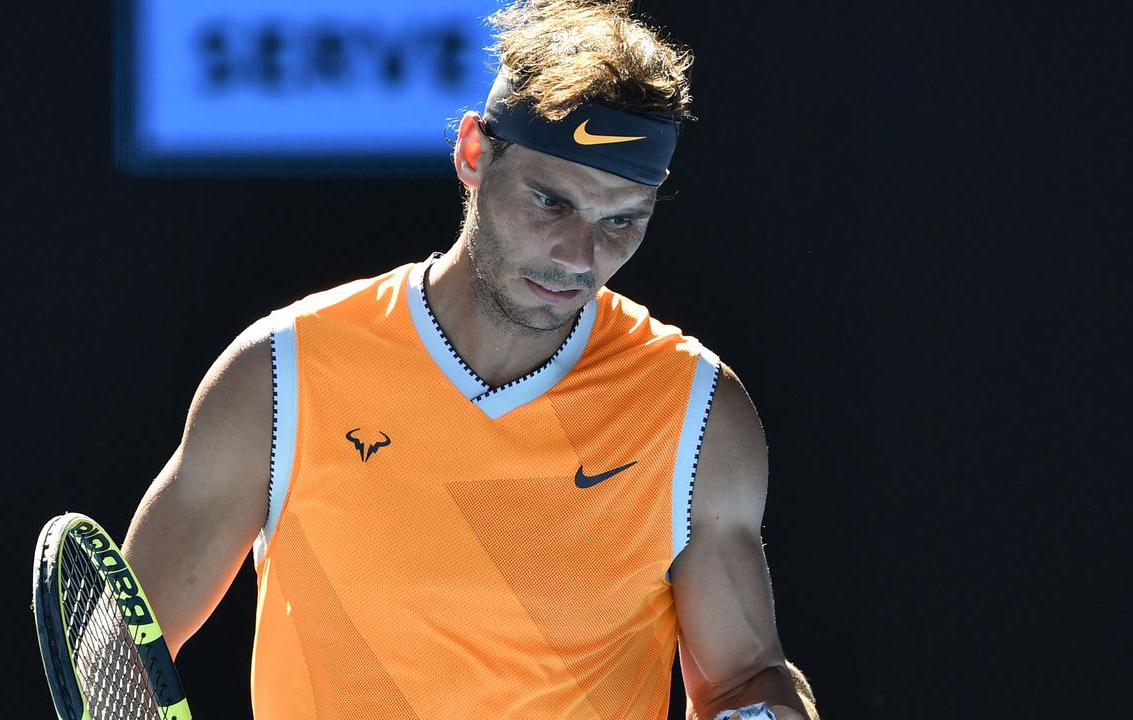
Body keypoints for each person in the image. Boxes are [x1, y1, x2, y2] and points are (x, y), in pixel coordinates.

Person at [122, 1, 819, 718]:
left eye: (620, 221)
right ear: (473, 155)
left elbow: (743, 678)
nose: (579, 258)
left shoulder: (699, 418)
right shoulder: (279, 376)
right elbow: (119, 656)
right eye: (551, 203)